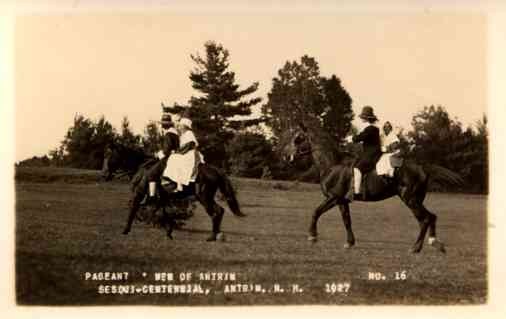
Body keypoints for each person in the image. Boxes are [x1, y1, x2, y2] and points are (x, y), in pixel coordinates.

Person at [163, 117, 202, 192]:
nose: (179, 127)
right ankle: (175, 181)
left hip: (189, 154)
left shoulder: (189, 134)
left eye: (181, 126)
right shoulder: (184, 135)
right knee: (174, 158)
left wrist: (177, 152)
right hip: (186, 152)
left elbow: (188, 146)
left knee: (174, 158)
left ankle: (179, 183)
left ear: (185, 127)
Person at [350, 106, 382, 196]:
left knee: (357, 169)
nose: (361, 119)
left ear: (366, 118)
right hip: (372, 154)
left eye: (363, 117)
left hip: (371, 155)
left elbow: (360, 137)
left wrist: (351, 138)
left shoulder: (370, 129)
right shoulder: (373, 128)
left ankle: (356, 192)